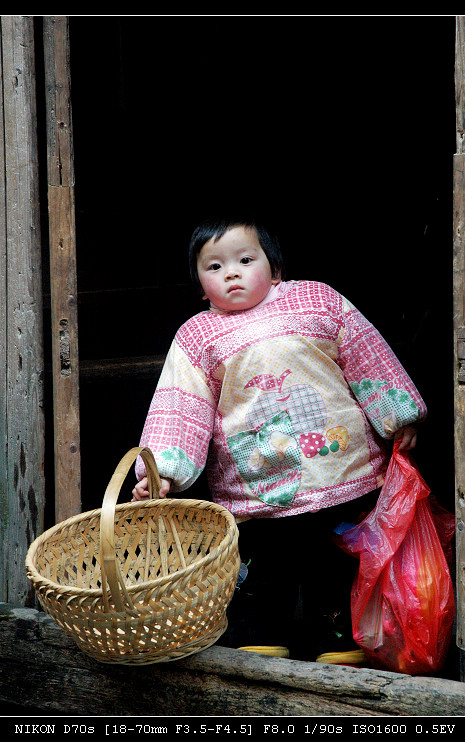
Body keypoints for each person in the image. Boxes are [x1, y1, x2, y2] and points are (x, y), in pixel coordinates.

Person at [132, 216, 425, 662]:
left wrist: (397, 413)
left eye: (245, 260)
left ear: (276, 269)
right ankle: (260, 642)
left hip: (339, 470)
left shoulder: (317, 301)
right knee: (264, 573)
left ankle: (339, 645)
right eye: (214, 266)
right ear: (199, 286)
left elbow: (366, 352)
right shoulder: (198, 336)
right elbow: (180, 405)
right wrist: (164, 471)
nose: (230, 272)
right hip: (257, 486)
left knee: (338, 564)